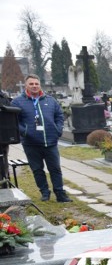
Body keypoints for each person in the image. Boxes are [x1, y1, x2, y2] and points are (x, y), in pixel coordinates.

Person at [11, 74, 72, 202]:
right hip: (31, 143)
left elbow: (59, 115)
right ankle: (45, 192)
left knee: (55, 169)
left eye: (36, 84)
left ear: (40, 85)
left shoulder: (50, 100)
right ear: (26, 85)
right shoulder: (17, 102)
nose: (34, 86)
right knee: (37, 170)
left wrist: (58, 130)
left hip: (50, 141)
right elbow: (13, 120)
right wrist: (25, 131)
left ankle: (60, 193)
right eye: (31, 84)